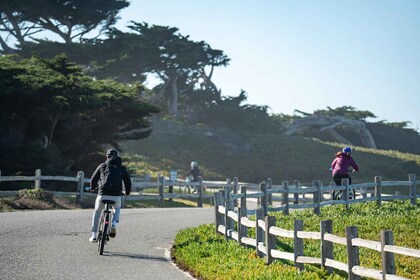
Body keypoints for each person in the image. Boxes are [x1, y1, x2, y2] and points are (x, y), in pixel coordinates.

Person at [89, 148, 131, 242]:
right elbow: (128, 182)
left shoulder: (102, 166)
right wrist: (126, 193)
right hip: (116, 195)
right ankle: (113, 225)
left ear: (107, 156)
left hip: (102, 194)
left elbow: (93, 179)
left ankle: (94, 235)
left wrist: (92, 188)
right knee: (117, 208)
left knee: (97, 212)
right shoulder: (122, 168)